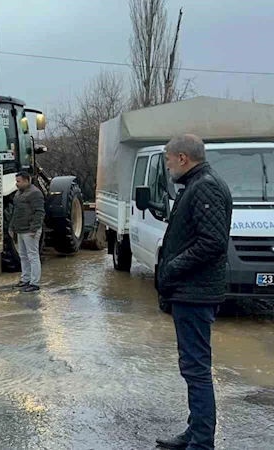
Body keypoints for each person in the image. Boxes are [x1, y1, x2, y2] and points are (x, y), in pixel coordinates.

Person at [155, 135, 232, 450]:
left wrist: (172, 267)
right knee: (193, 366)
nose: (169, 165)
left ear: (183, 158)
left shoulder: (206, 187)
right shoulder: (198, 184)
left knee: (196, 369)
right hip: (191, 291)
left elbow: (212, 243)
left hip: (195, 293)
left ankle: (201, 442)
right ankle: (194, 432)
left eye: (169, 160)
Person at [9, 171, 45, 292]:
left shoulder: (35, 193)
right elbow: (15, 212)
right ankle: (25, 279)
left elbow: (39, 212)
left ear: (26, 180)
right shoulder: (19, 193)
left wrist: (34, 229)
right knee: (23, 256)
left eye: (18, 181)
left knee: (33, 256)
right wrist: (11, 227)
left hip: (30, 230)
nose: (16, 184)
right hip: (20, 229)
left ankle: (34, 283)